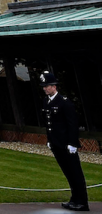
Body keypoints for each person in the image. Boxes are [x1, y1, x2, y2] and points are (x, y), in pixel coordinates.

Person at [42, 71, 89, 211]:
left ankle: (82, 201)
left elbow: (72, 124)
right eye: (44, 86)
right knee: (68, 173)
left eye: (47, 86)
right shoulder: (47, 101)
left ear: (54, 86)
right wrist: (50, 139)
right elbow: (49, 123)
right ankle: (74, 199)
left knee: (75, 172)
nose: (45, 88)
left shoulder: (64, 102)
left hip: (67, 144)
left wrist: (72, 143)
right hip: (57, 143)